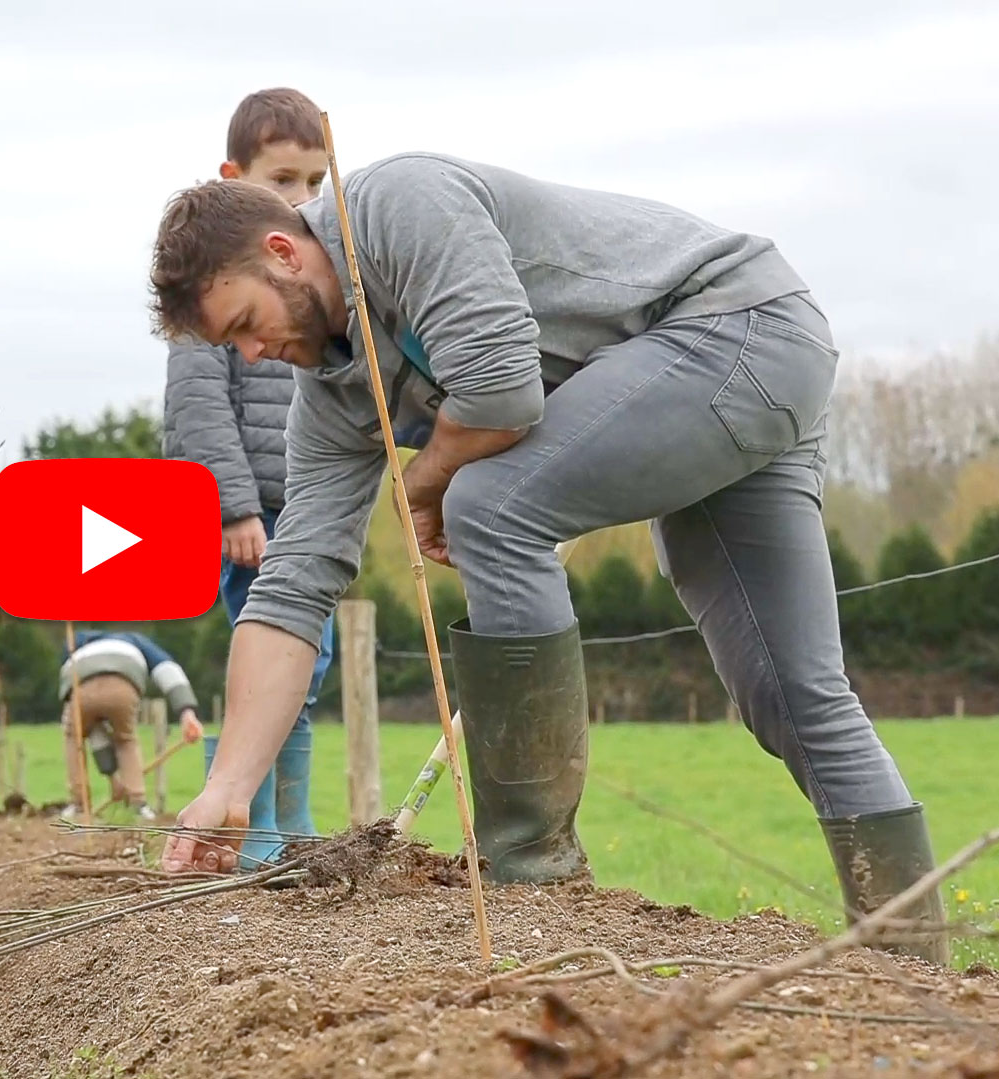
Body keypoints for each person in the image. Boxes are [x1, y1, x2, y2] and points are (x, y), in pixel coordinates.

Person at [146, 153, 949, 963]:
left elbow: (500, 388)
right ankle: (912, 959)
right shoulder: (335, 396)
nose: (250, 356)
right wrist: (226, 788)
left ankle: (534, 875)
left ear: (283, 253)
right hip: (726, 372)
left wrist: (422, 484)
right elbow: (290, 590)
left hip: (736, 328)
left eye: (245, 323)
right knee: (787, 688)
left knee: (489, 506)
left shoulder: (396, 208)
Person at [162, 87, 335, 867]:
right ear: (236, 175)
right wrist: (230, 508)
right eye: (282, 179)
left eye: (313, 181)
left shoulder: (314, 287)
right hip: (252, 520)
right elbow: (196, 412)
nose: (300, 199)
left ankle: (289, 822)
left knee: (309, 672)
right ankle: (250, 831)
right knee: (265, 659)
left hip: (306, 514)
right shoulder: (217, 293)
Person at [58, 631, 204, 821]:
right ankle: (138, 805)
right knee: (126, 741)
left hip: (80, 684)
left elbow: (95, 729)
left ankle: (78, 806)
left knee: (74, 736)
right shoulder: (136, 641)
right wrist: (187, 712)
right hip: (124, 682)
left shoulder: (76, 641)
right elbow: (167, 669)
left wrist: (111, 776)